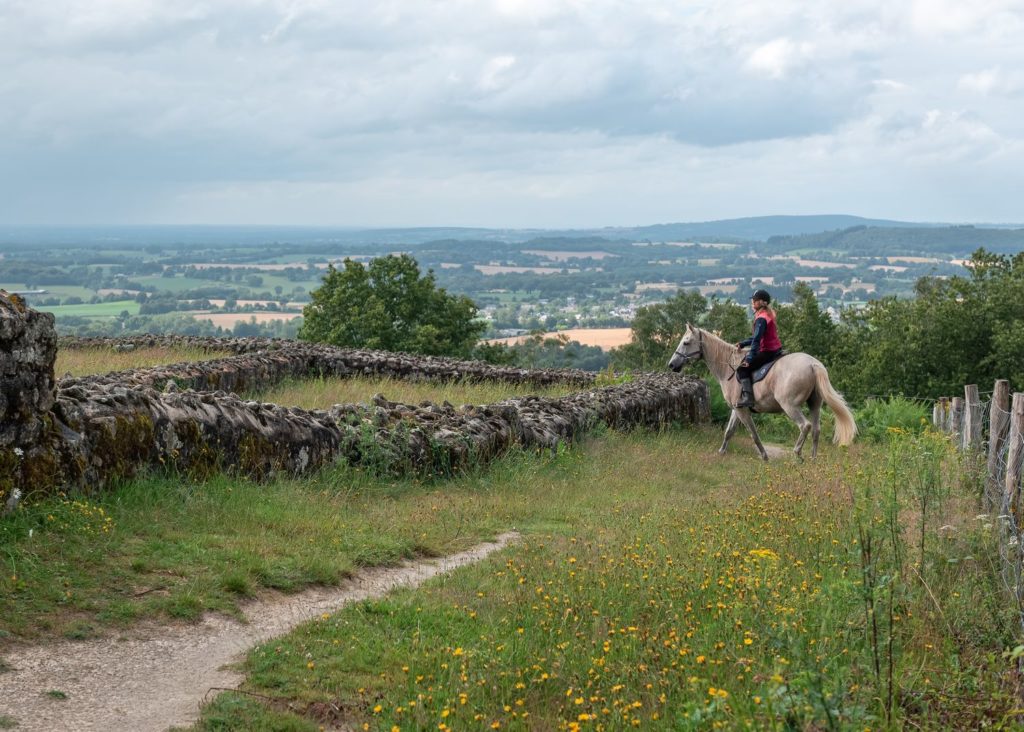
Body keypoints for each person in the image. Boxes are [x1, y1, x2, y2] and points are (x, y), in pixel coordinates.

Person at [734, 289, 783, 409]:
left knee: (741, 370)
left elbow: (756, 340)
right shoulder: (768, 314)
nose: (752, 302)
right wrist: (743, 343)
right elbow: (757, 337)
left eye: (754, 300)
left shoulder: (761, 318)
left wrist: (749, 359)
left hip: (768, 351)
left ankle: (748, 398)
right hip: (776, 348)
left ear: (760, 302)